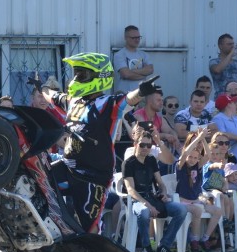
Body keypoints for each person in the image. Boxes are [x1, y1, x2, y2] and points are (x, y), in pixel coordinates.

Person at [42, 52, 158, 234]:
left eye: (81, 75)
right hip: (68, 166)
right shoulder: (74, 101)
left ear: (100, 76)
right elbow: (53, 96)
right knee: (37, 179)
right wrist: (42, 88)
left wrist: (141, 91)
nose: (76, 79)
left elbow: (128, 100)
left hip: (93, 176)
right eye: (77, 74)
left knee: (90, 228)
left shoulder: (106, 103)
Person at [123, 131, 188, 252]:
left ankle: (164, 245)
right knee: (144, 212)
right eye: (142, 145)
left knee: (181, 210)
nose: (146, 148)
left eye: (149, 146)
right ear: (135, 144)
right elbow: (130, 189)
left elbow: (160, 183)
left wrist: (163, 193)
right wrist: (147, 204)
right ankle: (146, 246)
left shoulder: (151, 160)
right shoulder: (128, 163)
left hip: (153, 198)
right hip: (137, 200)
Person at [175, 128, 223, 252]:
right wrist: (198, 137)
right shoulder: (181, 164)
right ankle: (194, 241)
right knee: (197, 210)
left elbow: (207, 155)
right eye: (190, 157)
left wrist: (203, 139)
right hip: (183, 201)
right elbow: (185, 153)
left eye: (195, 158)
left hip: (196, 199)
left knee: (217, 211)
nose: (191, 159)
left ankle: (204, 238)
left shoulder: (198, 164)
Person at [113, 25, 154, 94]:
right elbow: (126, 74)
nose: (137, 40)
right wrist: (144, 74)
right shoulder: (119, 55)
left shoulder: (144, 55)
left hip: (141, 96)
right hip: (124, 96)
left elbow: (150, 70)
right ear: (126, 38)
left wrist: (132, 71)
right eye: (133, 38)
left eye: (138, 37)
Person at [209, 33, 237, 99]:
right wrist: (231, 54)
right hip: (221, 101)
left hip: (236, 101)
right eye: (229, 44)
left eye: (233, 44)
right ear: (220, 46)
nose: (232, 46)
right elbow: (217, 70)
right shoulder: (214, 62)